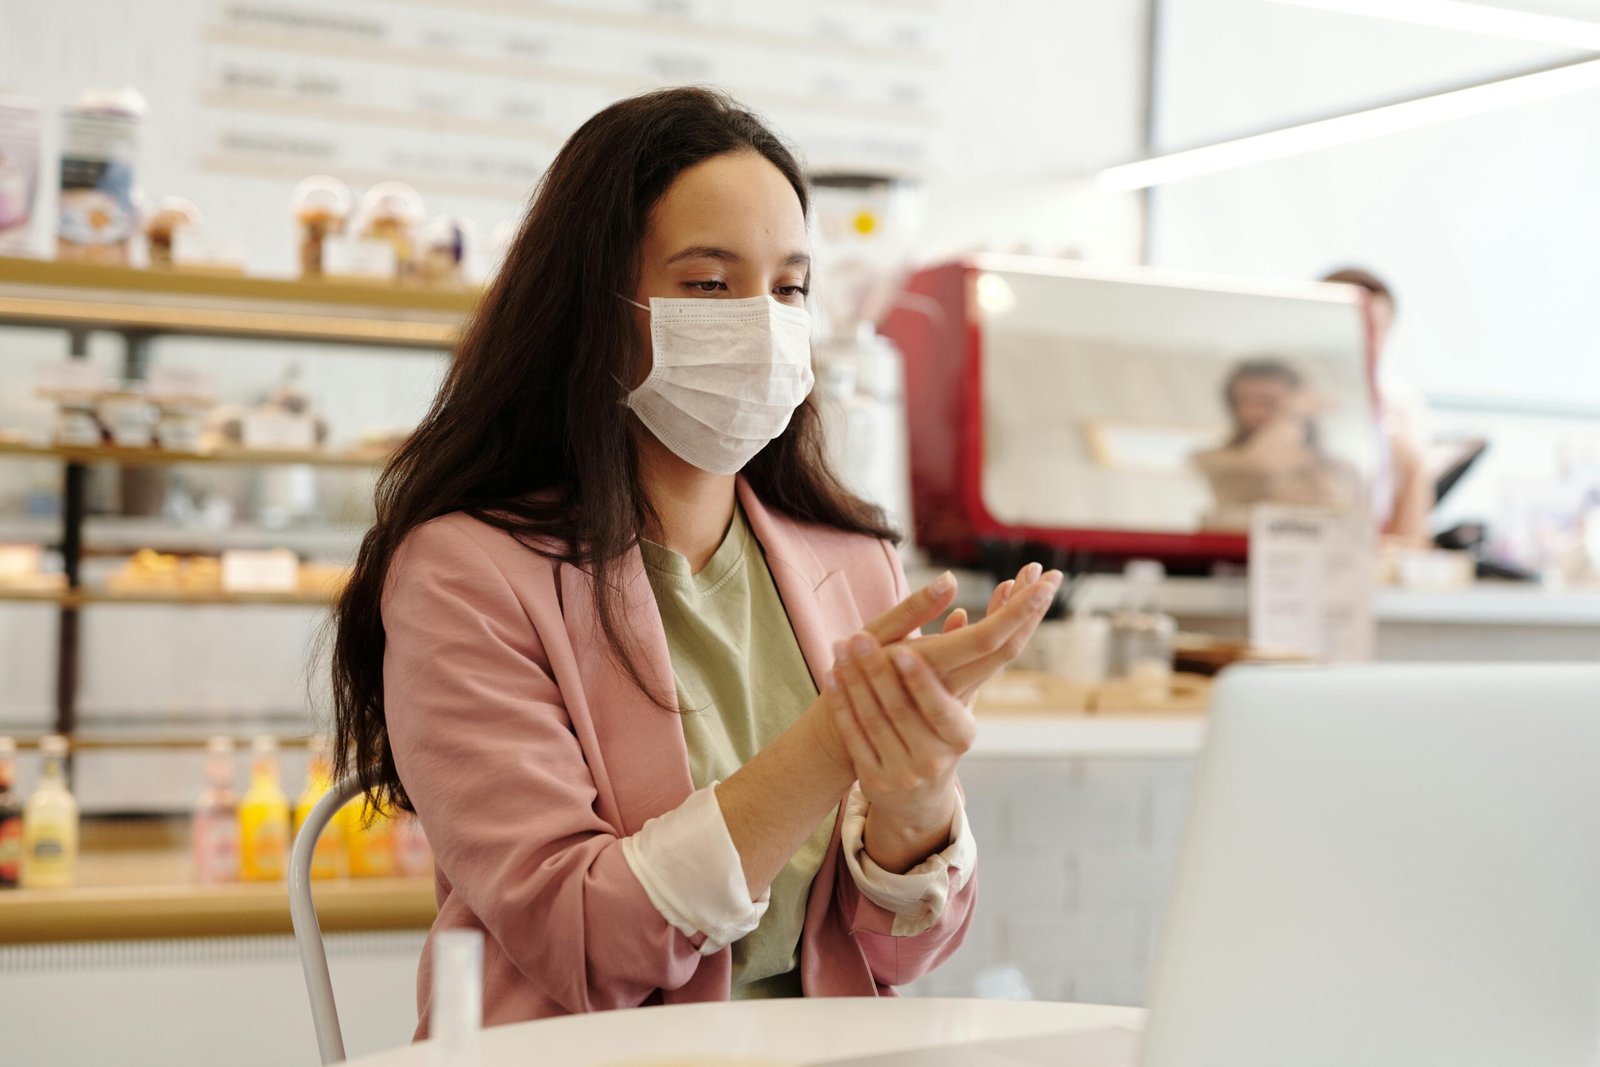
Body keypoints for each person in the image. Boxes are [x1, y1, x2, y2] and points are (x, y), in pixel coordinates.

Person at [329, 87, 1061, 1033]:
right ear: (593, 309)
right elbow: (587, 941)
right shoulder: (466, 574)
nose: (762, 323)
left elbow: (896, 953)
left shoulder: (856, 562)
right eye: (710, 285)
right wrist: (835, 738)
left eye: (790, 287)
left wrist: (912, 797)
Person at [1321, 268, 1433, 544]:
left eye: (1376, 328)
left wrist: (1411, 463)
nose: (1364, 338)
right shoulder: (1273, 397)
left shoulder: (1401, 404)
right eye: (1351, 324)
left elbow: (1413, 539)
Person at [1192, 358, 1364, 531]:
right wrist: (1293, 414)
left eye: (1268, 401)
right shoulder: (1214, 459)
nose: (1253, 411)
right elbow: (1262, 460)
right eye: (1243, 401)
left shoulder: (1341, 468)